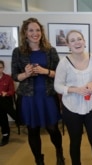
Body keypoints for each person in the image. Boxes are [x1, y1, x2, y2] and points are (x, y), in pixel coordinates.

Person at [11, 17, 64, 165]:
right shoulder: (18, 52)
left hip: (47, 96)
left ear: (42, 32)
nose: (35, 33)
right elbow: (15, 76)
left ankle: (60, 154)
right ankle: (38, 160)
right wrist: (26, 74)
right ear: (25, 33)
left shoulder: (50, 50)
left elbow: (60, 74)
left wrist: (45, 71)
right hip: (29, 98)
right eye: (31, 30)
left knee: (52, 128)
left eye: (38, 30)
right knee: (33, 130)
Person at [54, 30, 92, 165]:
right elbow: (57, 86)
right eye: (73, 40)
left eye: (79, 39)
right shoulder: (64, 63)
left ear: (84, 42)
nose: (77, 42)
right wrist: (75, 90)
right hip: (71, 107)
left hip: (91, 105)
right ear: (68, 45)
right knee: (75, 142)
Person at [0, 60, 15, 146]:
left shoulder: (8, 78)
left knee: (1, 110)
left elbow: (12, 91)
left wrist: (6, 93)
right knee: (2, 111)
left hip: (5, 100)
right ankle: (15, 116)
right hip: (4, 105)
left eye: (0, 68)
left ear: (3, 68)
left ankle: (5, 134)